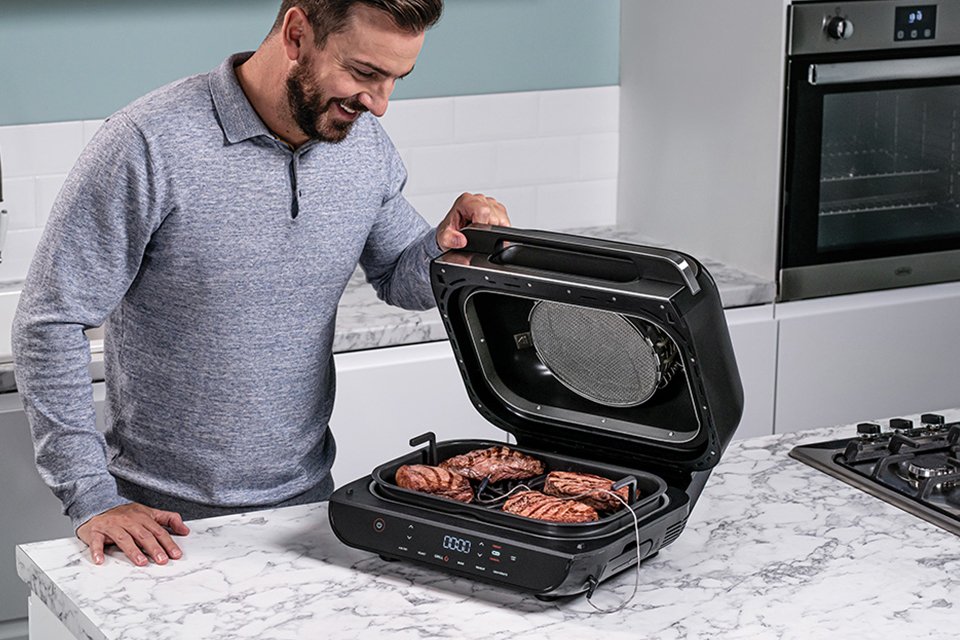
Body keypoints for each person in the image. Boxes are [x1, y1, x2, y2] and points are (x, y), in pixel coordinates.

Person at [12, 0, 508, 568]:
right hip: (159, 525)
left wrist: (449, 244)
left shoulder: (364, 144)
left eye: (396, 79)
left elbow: (401, 276)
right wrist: (92, 497)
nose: (380, 104)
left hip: (307, 506)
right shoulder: (146, 142)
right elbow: (50, 321)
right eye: (365, 73)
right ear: (297, 35)